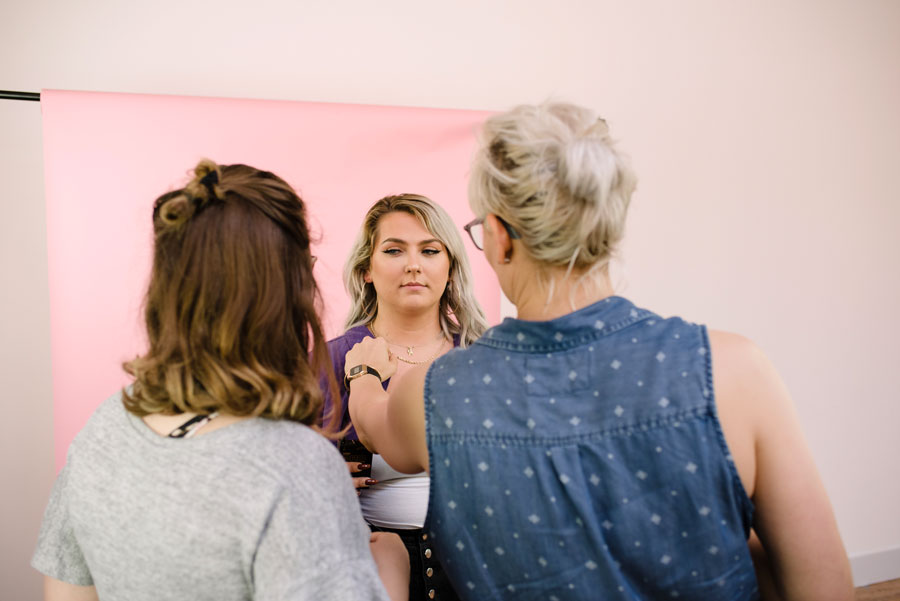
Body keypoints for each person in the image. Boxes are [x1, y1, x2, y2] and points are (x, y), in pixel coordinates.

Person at [343, 103, 855, 600]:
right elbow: (822, 587)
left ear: (498, 238)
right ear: (611, 226)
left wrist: (365, 369)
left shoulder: (434, 393)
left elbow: (370, 423)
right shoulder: (736, 371)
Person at [32, 160, 408, 601]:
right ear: (287, 290)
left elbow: (66, 591)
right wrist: (389, 574)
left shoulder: (107, 425)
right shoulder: (294, 466)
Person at [324, 194, 488, 601]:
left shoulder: (486, 357)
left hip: (476, 562)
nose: (413, 264)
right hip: (370, 566)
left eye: (430, 250)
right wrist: (319, 474)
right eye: (394, 250)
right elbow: (282, 467)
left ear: (450, 268)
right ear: (366, 269)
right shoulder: (330, 360)